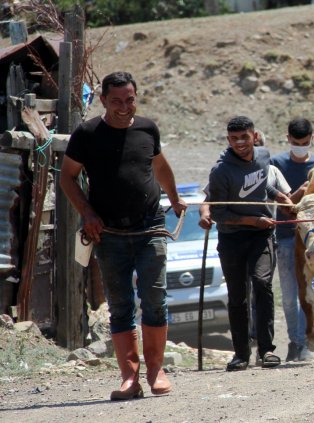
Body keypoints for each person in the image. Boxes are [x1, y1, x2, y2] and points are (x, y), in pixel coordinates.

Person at [60, 71, 188, 400]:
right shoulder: (86, 134)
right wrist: (87, 212)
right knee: (119, 307)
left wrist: (173, 197)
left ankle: (156, 371)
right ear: (103, 100)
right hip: (109, 233)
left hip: (150, 228)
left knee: (155, 301)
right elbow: (67, 179)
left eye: (129, 99)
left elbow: (159, 166)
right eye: (116, 101)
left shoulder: (147, 128)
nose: (123, 107)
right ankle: (129, 378)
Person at [208, 116, 293, 371]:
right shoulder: (221, 171)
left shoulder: (264, 156)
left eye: (244, 137)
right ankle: (241, 354)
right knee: (237, 295)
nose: (240, 143)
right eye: (234, 139)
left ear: (254, 136)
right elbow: (217, 214)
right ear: (228, 140)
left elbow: (263, 186)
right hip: (232, 238)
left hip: (261, 236)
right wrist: (252, 220)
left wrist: (282, 199)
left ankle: (266, 351)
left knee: (262, 284)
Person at [271, 117, 314, 362]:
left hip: (311, 240)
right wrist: (299, 193)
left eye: (304, 142)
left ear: (312, 139)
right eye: (296, 142)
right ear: (288, 139)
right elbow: (281, 202)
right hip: (285, 236)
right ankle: (294, 342)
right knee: (288, 293)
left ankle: (304, 341)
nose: (300, 146)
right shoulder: (276, 163)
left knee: (307, 292)